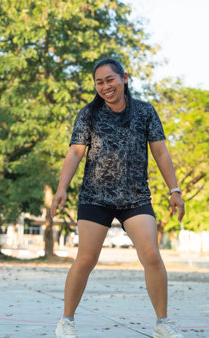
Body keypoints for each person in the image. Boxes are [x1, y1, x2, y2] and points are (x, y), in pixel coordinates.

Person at [51, 58, 185, 338]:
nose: (105, 86)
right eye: (99, 82)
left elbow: (161, 153)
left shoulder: (146, 112)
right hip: (95, 197)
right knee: (86, 258)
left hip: (135, 197)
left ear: (124, 78)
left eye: (109, 79)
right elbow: (75, 152)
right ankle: (66, 321)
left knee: (151, 253)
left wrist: (175, 190)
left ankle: (162, 323)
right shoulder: (88, 114)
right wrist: (62, 188)